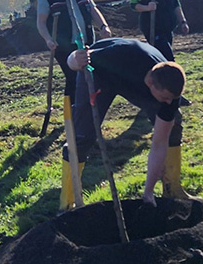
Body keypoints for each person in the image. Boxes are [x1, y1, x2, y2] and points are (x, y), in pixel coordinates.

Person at [62, 38, 187, 210]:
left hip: (137, 84)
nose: (168, 102)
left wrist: (148, 191)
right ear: (151, 83)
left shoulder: (169, 93)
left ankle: (172, 188)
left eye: (171, 99)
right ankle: (68, 202)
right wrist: (75, 61)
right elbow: (73, 59)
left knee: (173, 126)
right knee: (82, 136)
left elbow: (159, 143)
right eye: (165, 98)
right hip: (100, 74)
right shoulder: (117, 55)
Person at [36, 0, 112, 99]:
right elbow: (41, 22)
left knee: (89, 76)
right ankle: (71, 112)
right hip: (63, 44)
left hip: (87, 41)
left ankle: (89, 107)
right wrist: (48, 39)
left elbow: (93, 10)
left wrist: (103, 26)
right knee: (73, 77)